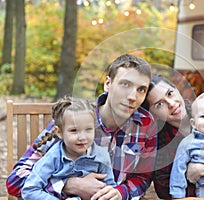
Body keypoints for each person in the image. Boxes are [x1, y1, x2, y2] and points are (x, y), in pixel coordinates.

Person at [7, 54, 157, 200]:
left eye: (141, 89)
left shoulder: (146, 125)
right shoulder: (75, 120)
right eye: (125, 84)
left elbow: (143, 177)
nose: (132, 97)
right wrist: (67, 185)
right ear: (108, 84)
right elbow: (15, 181)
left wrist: (120, 192)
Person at [141, 74, 204, 199]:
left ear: (177, 90)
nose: (171, 103)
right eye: (159, 104)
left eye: (170, 93)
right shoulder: (162, 144)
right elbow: (165, 191)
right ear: (153, 114)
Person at [21, 96, 116, 200]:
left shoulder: (101, 156)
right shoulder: (53, 157)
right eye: (74, 130)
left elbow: (110, 188)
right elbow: (29, 190)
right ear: (60, 132)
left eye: (88, 129)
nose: (82, 137)